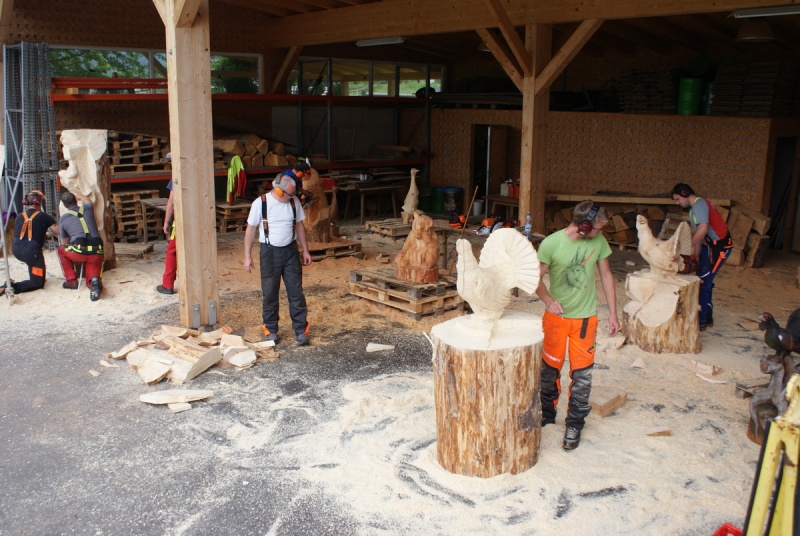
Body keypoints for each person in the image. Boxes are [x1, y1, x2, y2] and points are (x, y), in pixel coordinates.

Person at [535, 200, 620, 450]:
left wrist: (613, 314)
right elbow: (535, 278)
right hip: (556, 320)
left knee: (582, 376)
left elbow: (606, 275)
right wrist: (548, 300)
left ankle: (574, 424)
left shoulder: (599, 242)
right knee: (549, 372)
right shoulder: (551, 244)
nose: (601, 232)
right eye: (598, 227)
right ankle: (546, 416)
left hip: (585, 319)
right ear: (584, 226)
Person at [243, 172, 312, 346]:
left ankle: (300, 331)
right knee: (270, 293)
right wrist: (247, 256)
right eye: (291, 193)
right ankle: (270, 330)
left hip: (290, 251)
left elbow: (299, 226)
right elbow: (250, 230)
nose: (294, 196)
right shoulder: (260, 203)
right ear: (280, 191)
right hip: (269, 253)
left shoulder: (294, 202)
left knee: (296, 293)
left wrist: (305, 250)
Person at [671, 183, 732, 330]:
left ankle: (702, 320)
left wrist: (686, 246)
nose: (678, 203)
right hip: (709, 245)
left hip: (719, 247)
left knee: (704, 281)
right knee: (702, 279)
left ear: (685, 193)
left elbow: (703, 230)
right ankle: (706, 317)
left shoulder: (699, 205)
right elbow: (699, 235)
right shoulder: (694, 209)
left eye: (678, 199)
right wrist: (696, 256)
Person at [1, 190, 59, 296]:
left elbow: (27, 233)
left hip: (17, 250)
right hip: (32, 252)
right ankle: (12, 287)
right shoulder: (44, 216)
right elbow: (58, 231)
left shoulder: (19, 216)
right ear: (38, 202)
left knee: (31, 261)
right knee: (38, 282)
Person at [57, 191, 105, 301]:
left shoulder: (64, 218)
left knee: (61, 250)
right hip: (96, 252)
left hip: (79, 252)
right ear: (75, 200)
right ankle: (93, 282)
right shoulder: (88, 208)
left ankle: (71, 280)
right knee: (92, 275)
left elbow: (65, 242)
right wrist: (79, 195)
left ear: (64, 205)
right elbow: (87, 200)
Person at [156, 179, 177, 295]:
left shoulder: (177, 177)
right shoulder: (199, 174)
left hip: (180, 223)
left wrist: (166, 222)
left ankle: (167, 284)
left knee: (172, 251)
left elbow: (172, 202)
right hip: (198, 223)